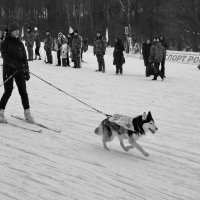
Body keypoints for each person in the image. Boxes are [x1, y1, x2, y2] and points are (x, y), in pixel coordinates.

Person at [0, 22, 34, 123]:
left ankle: (27, 113)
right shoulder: (5, 43)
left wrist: (27, 71)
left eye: (18, 30)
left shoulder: (20, 43)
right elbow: (6, 59)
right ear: (11, 31)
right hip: (8, 70)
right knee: (8, 91)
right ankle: (0, 112)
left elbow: (24, 59)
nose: (18, 31)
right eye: (16, 30)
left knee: (23, 92)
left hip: (19, 71)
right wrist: (16, 65)